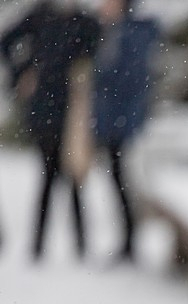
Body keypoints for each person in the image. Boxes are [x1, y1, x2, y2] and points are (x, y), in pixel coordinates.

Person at [0, 0, 99, 261]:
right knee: (47, 176)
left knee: (74, 176)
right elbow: (7, 41)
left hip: (74, 111)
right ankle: (39, 244)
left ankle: (82, 245)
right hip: (45, 108)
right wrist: (23, 73)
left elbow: (96, 58)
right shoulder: (40, 16)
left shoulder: (85, 22)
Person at [91, 0, 159, 262]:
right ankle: (127, 239)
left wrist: (102, 77)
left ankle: (131, 241)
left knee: (125, 183)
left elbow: (129, 78)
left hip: (125, 125)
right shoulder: (113, 31)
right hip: (114, 123)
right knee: (117, 181)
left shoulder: (133, 33)